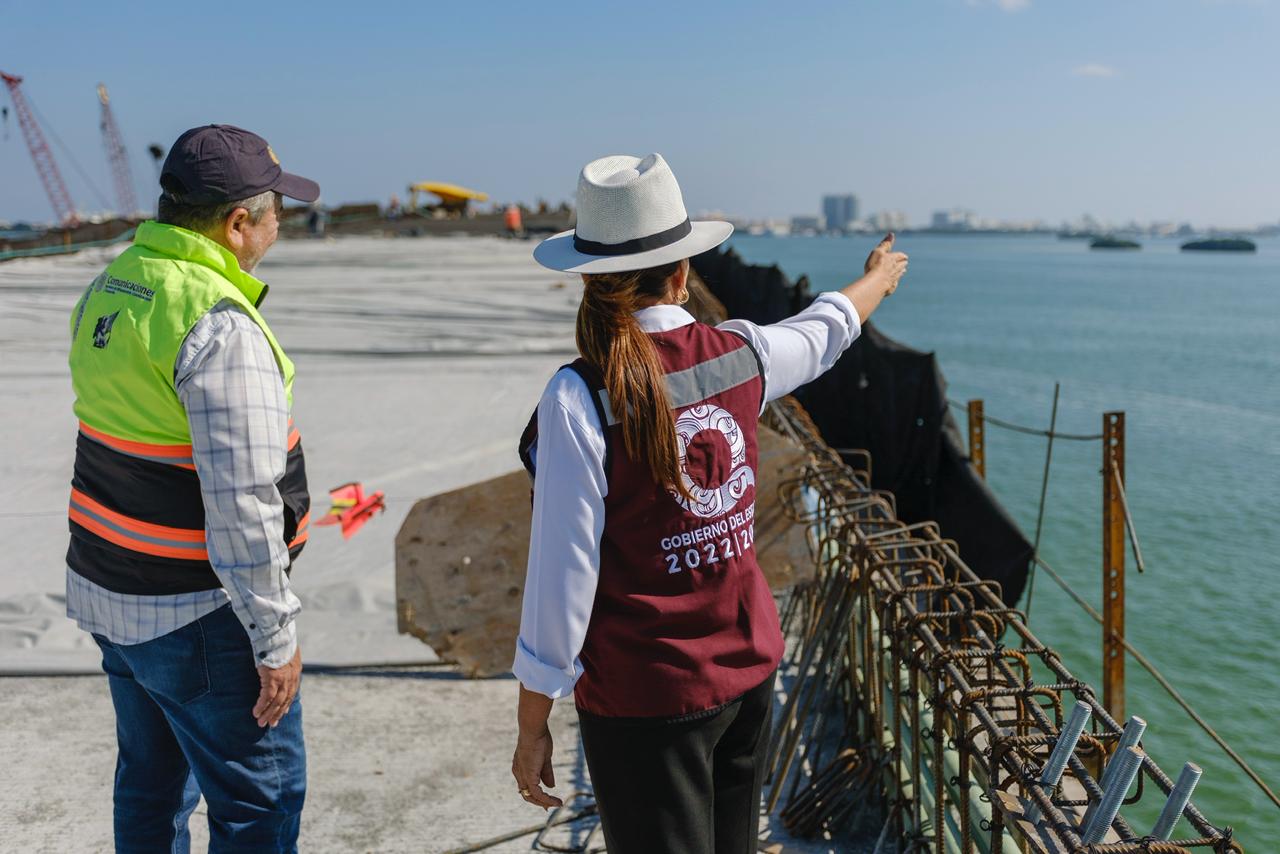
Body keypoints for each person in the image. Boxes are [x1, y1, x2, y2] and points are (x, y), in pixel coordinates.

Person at [511, 153, 908, 854]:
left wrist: (532, 719)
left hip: (646, 697)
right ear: (682, 273)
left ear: (590, 277)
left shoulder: (578, 396)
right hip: (746, 674)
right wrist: (877, 276)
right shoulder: (740, 353)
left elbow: (561, 577)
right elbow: (826, 329)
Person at [65, 124, 321, 853]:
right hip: (198, 614)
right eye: (277, 211)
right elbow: (242, 504)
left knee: (150, 786)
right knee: (259, 803)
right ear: (239, 223)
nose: (280, 224)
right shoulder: (219, 326)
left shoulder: (114, 283)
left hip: (111, 589)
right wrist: (274, 638)